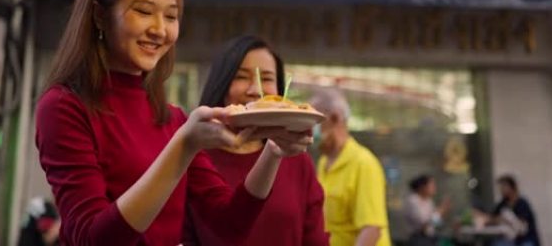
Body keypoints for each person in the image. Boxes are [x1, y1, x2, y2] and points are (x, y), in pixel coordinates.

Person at [35, 0, 312, 246]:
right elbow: (92, 237)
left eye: (171, 16)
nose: (159, 30)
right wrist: (183, 146)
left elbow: (229, 225)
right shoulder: (63, 106)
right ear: (100, 15)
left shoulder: (173, 119)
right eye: (143, 11)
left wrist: (273, 151)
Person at [184, 35, 329, 246]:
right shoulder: (195, 159)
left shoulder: (296, 158)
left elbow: (315, 240)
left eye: (267, 78)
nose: (254, 90)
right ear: (221, 85)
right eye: (241, 77)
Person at [310, 88, 391, 246]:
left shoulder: (363, 163)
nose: (310, 131)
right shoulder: (323, 163)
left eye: (314, 123)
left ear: (334, 118)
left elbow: (371, 230)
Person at [490, 175, 541, 246]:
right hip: (508, 239)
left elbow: (522, 226)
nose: (501, 190)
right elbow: (492, 218)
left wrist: (508, 220)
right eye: (500, 187)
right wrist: (498, 219)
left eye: (504, 187)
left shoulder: (522, 203)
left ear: (512, 187)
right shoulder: (502, 204)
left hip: (525, 239)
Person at [402, 175, 450, 246]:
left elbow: (435, 224)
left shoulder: (429, 201)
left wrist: (441, 213)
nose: (434, 188)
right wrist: (440, 211)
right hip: (418, 239)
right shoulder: (413, 201)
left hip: (430, 238)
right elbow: (425, 226)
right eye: (432, 185)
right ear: (422, 187)